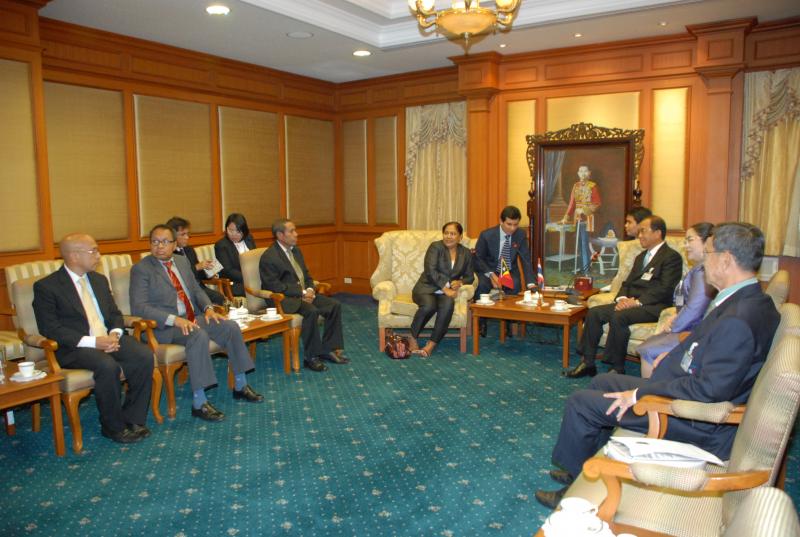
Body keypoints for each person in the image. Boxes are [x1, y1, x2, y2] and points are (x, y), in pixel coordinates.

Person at [535, 222, 779, 508]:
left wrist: (640, 394)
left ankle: (576, 491)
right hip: (682, 388)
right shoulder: (750, 300)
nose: (703, 263)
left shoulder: (738, 319)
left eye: (709, 253)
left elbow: (708, 390)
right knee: (602, 382)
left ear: (726, 260)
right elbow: (710, 354)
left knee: (580, 403)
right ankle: (583, 467)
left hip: (692, 418)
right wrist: (673, 355)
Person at [130, 225, 263, 423]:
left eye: (165, 242)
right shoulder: (142, 269)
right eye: (155, 242)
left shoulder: (181, 261)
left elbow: (196, 290)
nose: (159, 246)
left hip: (192, 317)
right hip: (164, 326)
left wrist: (208, 308)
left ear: (174, 244)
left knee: (230, 327)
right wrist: (175, 320)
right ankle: (199, 403)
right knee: (197, 335)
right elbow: (139, 307)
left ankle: (240, 385)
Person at [33, 234, 154, 444]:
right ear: (74, 256)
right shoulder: (47, 287)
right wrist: (94, 342)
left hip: (107, 337)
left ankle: (133, 418)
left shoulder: (99, 280)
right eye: (93, 251)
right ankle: (113, 427)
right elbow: (50, 328)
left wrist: (115, 334)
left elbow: (115, 314)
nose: (98, 255)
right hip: (74, 347)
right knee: (107, 366)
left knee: (143, 355)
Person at [564, 215, 682, 378]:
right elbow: (627, 283)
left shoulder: (671, 257)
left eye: (643, 231)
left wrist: (637, 302)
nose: (640, 235)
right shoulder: (641, 257)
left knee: (619, 317)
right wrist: (621, 299)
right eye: (639, 232)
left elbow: (665, 288)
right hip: (630, 303)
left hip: (654, 306)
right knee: (594, 313)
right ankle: (588, 362)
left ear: (657, 233)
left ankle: (617, 367)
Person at [259, 218, 348, 372]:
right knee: (311, 311)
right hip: (283, 299)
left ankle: (328, 349)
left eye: (295, 230)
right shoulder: (270, 257)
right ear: (280, 235)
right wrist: (301, 292)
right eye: (292, 231)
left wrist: (310, 289)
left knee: (334, 305)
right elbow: (274, 286)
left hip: (302, 295)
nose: (296, 234)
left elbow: (306, 275)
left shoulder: (296, 251)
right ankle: (311, 357)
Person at [637, 222, 716, 378]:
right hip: (686, 324)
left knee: (648, 349)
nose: (685, 245)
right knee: (649, 344)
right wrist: (676, 315)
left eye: (690, 240)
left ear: (706, 241)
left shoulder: (702, 272)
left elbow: (694, 309)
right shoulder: (698, 269)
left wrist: (675, 325)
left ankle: (648, 390)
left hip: (693, 330)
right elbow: (687, 302)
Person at [408, 222, 474, 358]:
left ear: (460, 237)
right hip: (426, 288)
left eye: (453, 234)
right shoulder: (435, 247)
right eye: (446, 233)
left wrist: (460, 282)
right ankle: (412, 337)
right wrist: (445, 288)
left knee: (448, 305)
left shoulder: (466, 253)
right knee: (429, 306)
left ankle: (431, 344)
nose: (448, 236)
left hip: (446, 292)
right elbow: (430, 271)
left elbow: (470, 276)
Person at [473, 205, 536, 337]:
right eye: (509, 224)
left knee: (515, 284)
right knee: (482, 285)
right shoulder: (487, 235)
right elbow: (478, 258)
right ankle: (481, 320)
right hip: (489, 270)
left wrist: (531, 283)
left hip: (508, 270)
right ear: (501, 221)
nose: (512, 228)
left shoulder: (520, 235)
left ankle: (508, 321)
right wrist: (491, 275)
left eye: (515, 224)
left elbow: (525, 259)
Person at [166, 216, 225, 306]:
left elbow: (198, 275)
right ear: (172, 236)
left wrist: (209, 272)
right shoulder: (169, 254)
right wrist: (197, 267)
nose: (187, 237)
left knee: (219, 298)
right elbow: (178, 276)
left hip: (199, 288)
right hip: (183, 291)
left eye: (187, 234)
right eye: (183, 234)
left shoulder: (189, 250)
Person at [561, 165, 601, 271]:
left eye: (585, 171)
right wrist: (566, 216)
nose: (583, 174)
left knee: (584, 243)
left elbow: (597, 203)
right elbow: (572, 203)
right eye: (581, 171)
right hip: (577, 218)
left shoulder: (592, 186)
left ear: (589, 173)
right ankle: (582, 266)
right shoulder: (576, 186)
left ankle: (586, 268)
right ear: (578, 173)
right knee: (579, 243)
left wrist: (584, 210)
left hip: (588, 218)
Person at [215, 213, 256, 297]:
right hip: (234, 284)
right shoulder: (221, 245)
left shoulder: (249, 239)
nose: (233, 234)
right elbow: (228, 271)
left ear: (244, 230)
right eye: (230, 230)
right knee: (259, 290)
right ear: (226, 228)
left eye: (238, 231)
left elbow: (255, 260)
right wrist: (249, 278)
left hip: (253, 280)